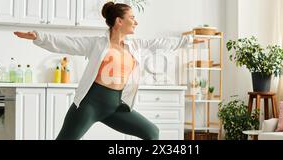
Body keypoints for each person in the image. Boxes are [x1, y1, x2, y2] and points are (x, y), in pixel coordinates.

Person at [14, 2, 194, 140]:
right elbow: (66, 42)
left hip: (116, 106)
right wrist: (38, 37)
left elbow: (161, 43)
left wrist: (188, 41)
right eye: (132, 17)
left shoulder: (135, 46)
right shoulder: (97, 44)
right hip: (89, 105)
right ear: (119, 21)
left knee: (152, 133)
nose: (136, 22)